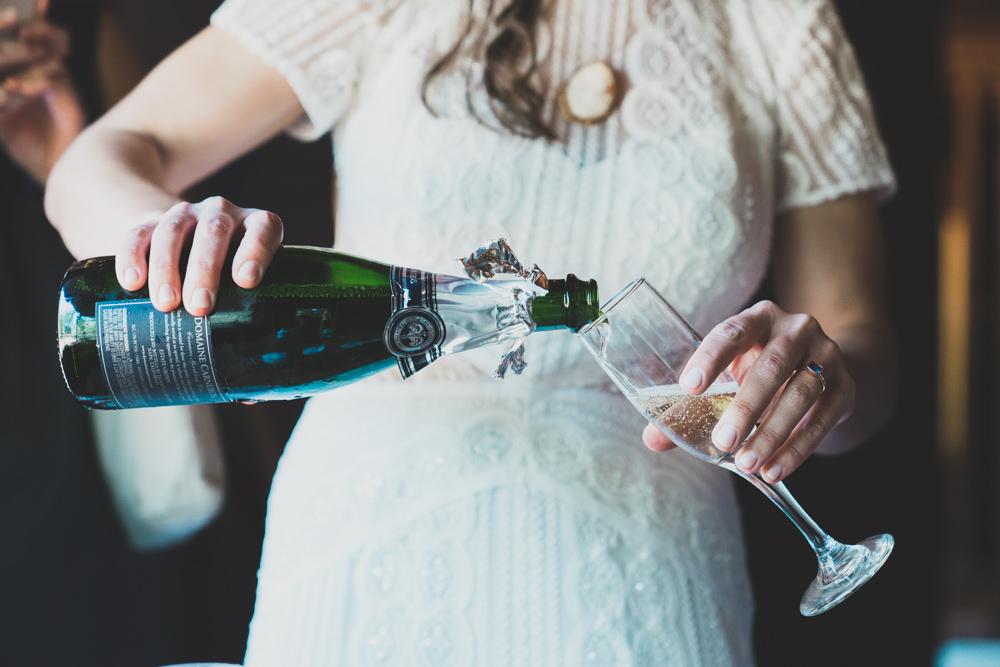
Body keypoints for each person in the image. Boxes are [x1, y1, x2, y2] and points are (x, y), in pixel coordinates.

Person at [44, 0, 898, 663]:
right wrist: (167, 238)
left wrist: (827, 376)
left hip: (651, 569)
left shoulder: (782, 20)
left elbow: (858, 341)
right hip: (364, 546)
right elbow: (100, 158)